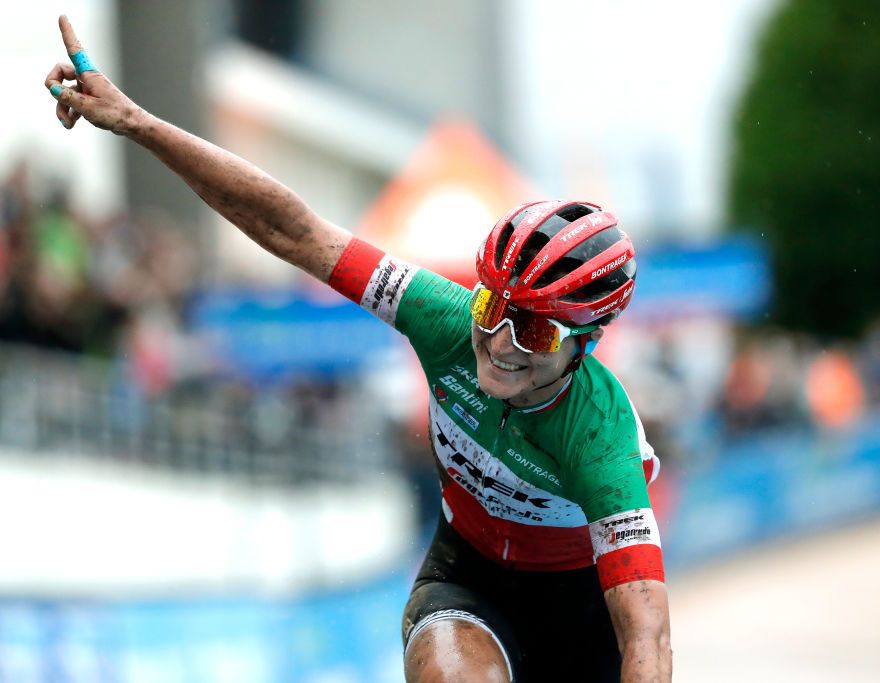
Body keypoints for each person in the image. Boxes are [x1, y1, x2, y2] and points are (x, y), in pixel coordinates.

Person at [45, 15, 672, 682]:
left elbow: (648, 635)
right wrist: (139, 123)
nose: (500, 341)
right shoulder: (442, 318)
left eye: (537, 330)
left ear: (585, 345)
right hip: (470, 581)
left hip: (581, 618)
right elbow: (293, 229)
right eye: (492, 306)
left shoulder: (600, 436)